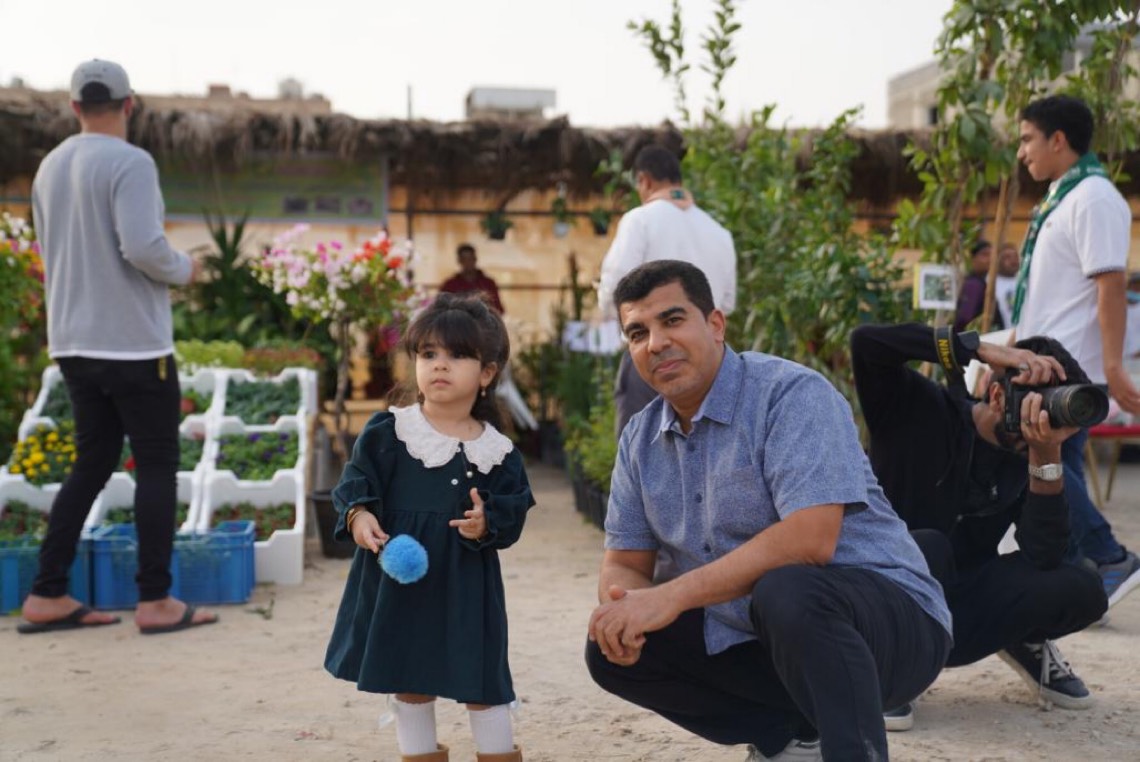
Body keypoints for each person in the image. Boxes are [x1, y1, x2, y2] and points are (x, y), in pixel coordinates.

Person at [584, 260, 951, 761]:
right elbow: (625, 562)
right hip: (760, 637)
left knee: (787, 589)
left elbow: (810, 540)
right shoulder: (640, 439)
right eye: (637, 333)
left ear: (715, 324)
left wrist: (670, 597)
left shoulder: (790, 395)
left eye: (672, 320)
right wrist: (627, 609)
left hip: (889, 627)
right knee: (609, 649)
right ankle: (792, 739)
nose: (656, 343)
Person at [18, 59, 215, 635]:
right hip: (133, 344)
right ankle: (155, 600)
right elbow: (143, 248)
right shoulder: (131, 162)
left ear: (74, 107)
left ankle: (47, 592)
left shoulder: (50, 167)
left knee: (92, 463)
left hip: (73, 341)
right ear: (129, 104)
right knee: (156, 465)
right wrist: (187, 269)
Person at [850, 323, 1108, 731]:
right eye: (1035, 403)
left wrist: (1045, 456)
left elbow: (1044, 556)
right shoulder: (916, 406)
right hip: (881, 596)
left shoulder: (1031, 456)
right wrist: (978, 349)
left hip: (955, 611)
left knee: (1083, 586)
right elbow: (867, 343)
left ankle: (1022, 638)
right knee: (930, 547)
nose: (1041, 418)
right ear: (998, 394)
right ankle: (891, 669)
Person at [325, 293, 535, 762]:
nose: (440, 364)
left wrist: (486, 523)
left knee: (484, 682)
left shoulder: (499, 452)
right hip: (403, 585)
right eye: (428, 353)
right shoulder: (389, 432)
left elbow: (513, 511)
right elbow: (355, 483)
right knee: (410, 677)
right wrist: (360, 516)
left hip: (467, 587)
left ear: (486, 373)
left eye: (457, 355)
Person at [1012, 94, 1140, 606]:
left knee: (1042, 463)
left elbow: (1111, 285)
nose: (1022, 152)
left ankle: (1107, 558)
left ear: (1058, 140)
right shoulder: (1062, 199)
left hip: (1069, 367)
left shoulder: (1093, 198)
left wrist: (1112, 366)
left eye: (1028, 139)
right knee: (1050, 466)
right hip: (1043, 360)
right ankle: (1078, 576)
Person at [596, 145, 737, 436]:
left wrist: (612, 312)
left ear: (644, 181)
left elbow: (615, 290)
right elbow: (727, 302)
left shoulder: (639, 220)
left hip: (653, 358)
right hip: (710, 360)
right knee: (712, 445)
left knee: (642, 446)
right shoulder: (719, 232)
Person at [440, 243, 505, 314]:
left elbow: (498, 309)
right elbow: (440, 310)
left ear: (475, 259)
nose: (468, 263)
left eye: (470, 259)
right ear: (459, 261)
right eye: (464, 259)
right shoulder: (449, 285)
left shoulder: (488, 283)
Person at [954, 240, 1001, 332]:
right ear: (973, 259)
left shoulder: (982, 282)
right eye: (985, 255)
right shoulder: (974, 284)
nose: (990, 259)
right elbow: (965, 318)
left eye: (991, 255)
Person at [993, 243, 1020, 331]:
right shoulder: (990, 283)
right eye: (1007, 257)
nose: (1013, 260)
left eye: (1015, 256)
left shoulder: (1023, 280)